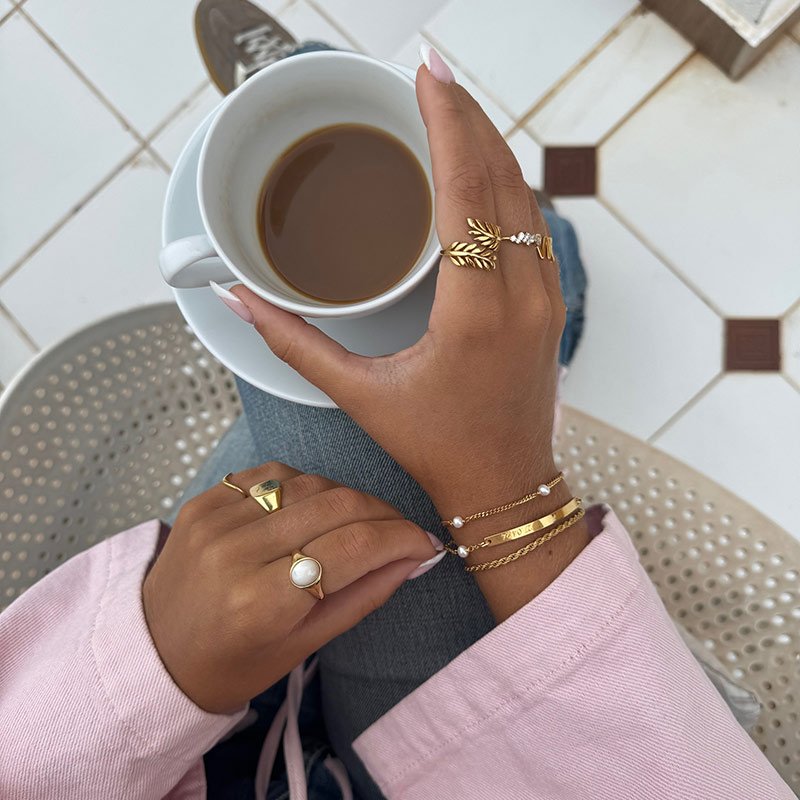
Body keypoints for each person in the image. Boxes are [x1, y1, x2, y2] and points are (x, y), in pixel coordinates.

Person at [0, 4, 792, 798]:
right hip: (449, 768)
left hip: (183, 734)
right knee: (408, 360)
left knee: (315, 413)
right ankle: (549, 265)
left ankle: (289, 100)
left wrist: (146, 678)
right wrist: (510, 493)